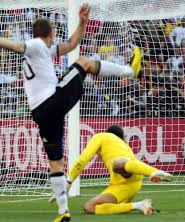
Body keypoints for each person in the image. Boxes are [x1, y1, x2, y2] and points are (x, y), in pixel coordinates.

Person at [0, 4, 141, 222]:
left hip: (41, 113)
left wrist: (82, 23)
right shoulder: (37, 45)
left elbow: (71, 44)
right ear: (49, 34)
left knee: (56, 163)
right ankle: (130, 71)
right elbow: (17, 46)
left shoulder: (43, 51)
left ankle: (63, 211)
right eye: (53, 34)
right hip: (53, 101)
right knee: (83, 62)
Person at [51, 125, 173, 215]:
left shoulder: (101, 136)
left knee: (117, 163)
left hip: (126, 173)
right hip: (131, 184)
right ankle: (139, 205)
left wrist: (69, 182)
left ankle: (153, 172)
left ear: (108, 132)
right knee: (89, 207)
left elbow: (82, 160)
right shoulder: (126, 146)